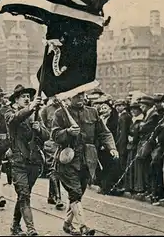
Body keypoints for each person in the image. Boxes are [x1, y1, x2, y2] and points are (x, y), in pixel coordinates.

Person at [52, 91, 118, 236]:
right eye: (77, 96)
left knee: (78, 194)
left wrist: (111, 147)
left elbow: (104, 133)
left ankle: (67, 224)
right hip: (68, 159)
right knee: (75, 192)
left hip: (88, 159)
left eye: (82, 95)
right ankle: (83, 226)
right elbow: (55, 135)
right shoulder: (60, 113)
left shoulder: (92, 112)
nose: (80, 98)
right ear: (69, 98)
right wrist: (68, 132)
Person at [5, 85, 48, 236]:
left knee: (25, 194)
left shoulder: (36, 114)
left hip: (34, 161)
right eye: (23, 96)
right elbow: (14, 120)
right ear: (16, 100)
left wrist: (39, 129)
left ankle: (15, 226)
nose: (26, 98)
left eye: (28, 96)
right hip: (18, 161)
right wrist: (30, 108)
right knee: (24, 194)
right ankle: (31, 229)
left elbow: (46, 135)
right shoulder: (10, 112)